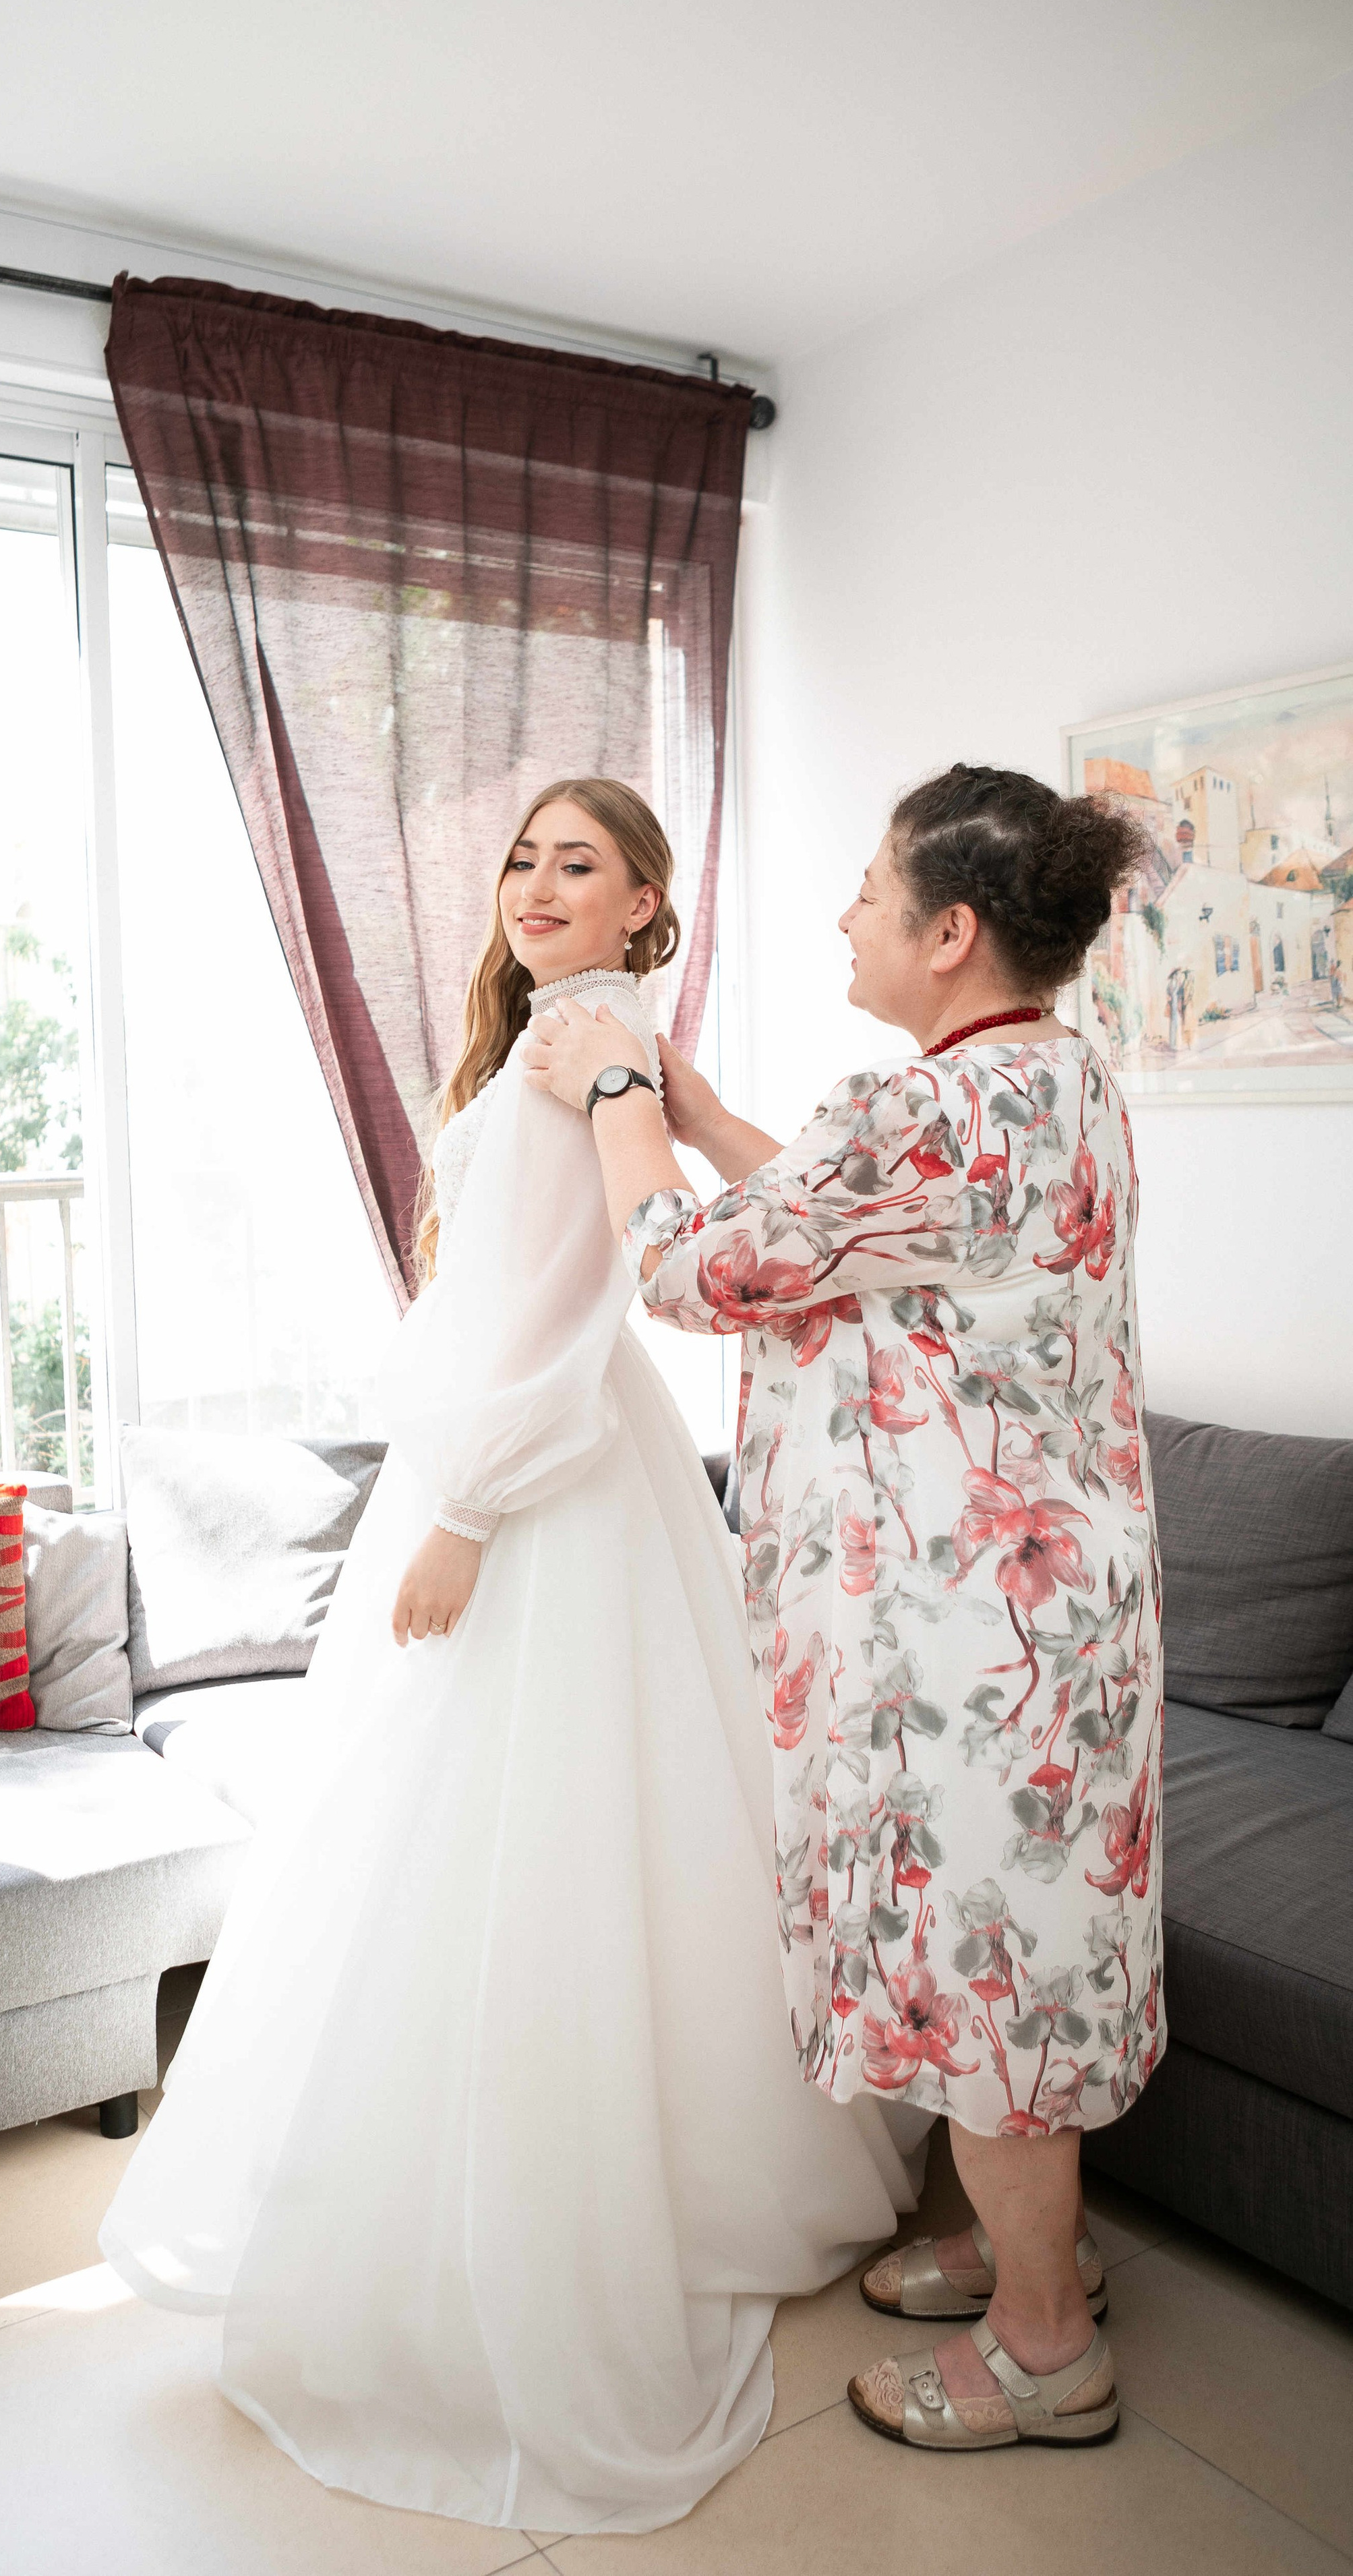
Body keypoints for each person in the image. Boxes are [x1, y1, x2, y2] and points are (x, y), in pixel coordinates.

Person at [99, 777, 923, 2534]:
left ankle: (540, 2213)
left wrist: (463, 1509)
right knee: (542, 1845)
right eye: (524, 859)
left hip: (534, 1478)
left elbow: (565, 1300)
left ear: (646, 904)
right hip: (533, 1457)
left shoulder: (592, 1042)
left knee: (523, 1843)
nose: (538, 887)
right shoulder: (571, 1031)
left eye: (583, 865)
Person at [528, 762, 1162, 2454]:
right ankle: (1032, 2256)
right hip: (1048, 1633)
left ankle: (1043, 2348)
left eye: (869, 894)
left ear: (949, 932)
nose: (841, 917)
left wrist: (613, 1096)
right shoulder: (1051, 1084)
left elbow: (689, 1266)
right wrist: (708, 1109)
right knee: (1021, 1966)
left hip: (961, 1643)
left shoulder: (930, 1119)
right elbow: (837, 1219)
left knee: (988, 1985)